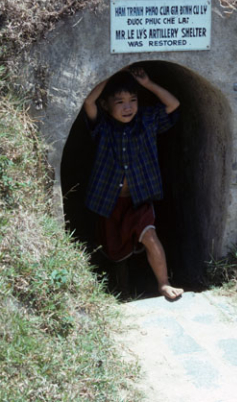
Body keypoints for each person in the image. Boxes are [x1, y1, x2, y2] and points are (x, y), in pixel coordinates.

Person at [83, 66, 184, 301]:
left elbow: (173, 104)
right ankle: (122, 287)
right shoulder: (102, 126)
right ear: (106, 105)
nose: (128, 107)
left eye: (132, 100)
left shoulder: (147, 120)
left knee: (150, 236)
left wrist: (148, 84)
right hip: (109, 200)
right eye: (119, 101)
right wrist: (107, 74)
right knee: (113, 248)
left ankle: (164, 284)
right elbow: (89, 102)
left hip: (139, 198)